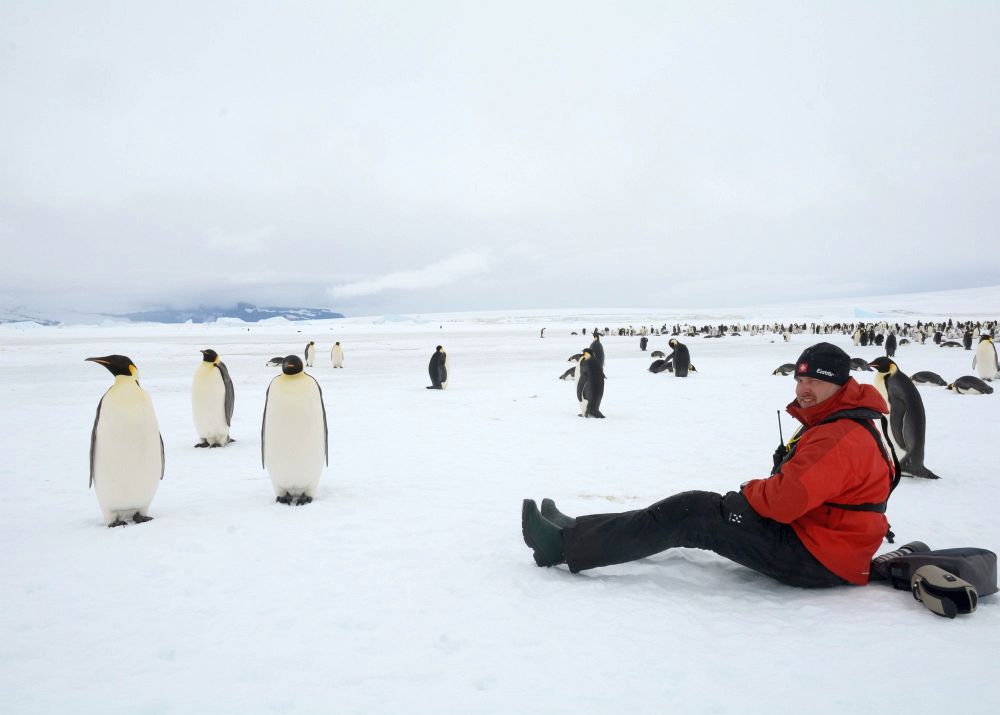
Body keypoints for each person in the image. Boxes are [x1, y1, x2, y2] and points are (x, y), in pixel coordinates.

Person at [521, 342, 897, 588]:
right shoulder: (846, 422)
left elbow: (786, 500)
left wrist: (750, 493)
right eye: (801, 379)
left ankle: (562, 547)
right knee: (696, 507)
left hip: (818, 555)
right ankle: (577, 530)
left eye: (815, 380)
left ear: (839, 384)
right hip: (824, 541)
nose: (803, 389)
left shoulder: (840, 435)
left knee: (692, 512)